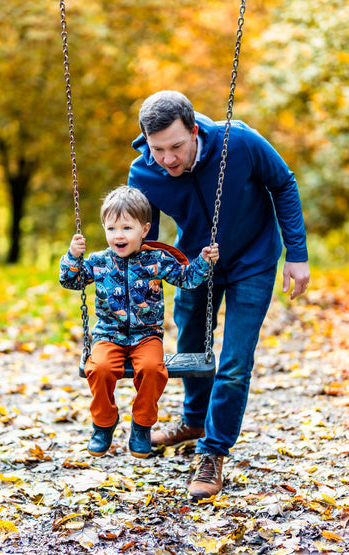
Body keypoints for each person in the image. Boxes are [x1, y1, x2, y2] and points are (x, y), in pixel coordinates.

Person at [127, 90, 310, 500]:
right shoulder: (143, 174)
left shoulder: (239, 142)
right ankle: (194, 420)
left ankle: (212, 452)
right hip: (196, 266)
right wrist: (142, 283)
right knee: (191, 349)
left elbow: (283, 184)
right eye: (158, 150)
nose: (168, 159)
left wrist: (296, 254)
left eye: (176, 146)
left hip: (253, 261)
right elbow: (146, 238)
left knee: (233, 363)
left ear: (194, 130)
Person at [59, 186, 219, 459]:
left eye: (126, 228)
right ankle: (104, 423)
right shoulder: (98, 261)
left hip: (147, 335)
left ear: (144, 229)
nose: (118, 235)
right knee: (97, 368)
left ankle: (142, 425)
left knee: (153, 369)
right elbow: (70, 280)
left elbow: (188, 279)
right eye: (111, 229)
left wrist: (204, 261)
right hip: (108, 334)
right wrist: (73, 257)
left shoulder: (157, 260)